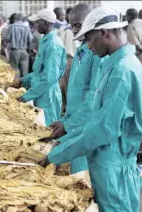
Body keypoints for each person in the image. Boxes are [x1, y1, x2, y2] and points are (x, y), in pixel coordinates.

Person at [39, 7, 142, 212]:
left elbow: (103, 129)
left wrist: (57, 154)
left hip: (114, 163)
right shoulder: (115, 64)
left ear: (104, 33)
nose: (86, 46)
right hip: (109, 161)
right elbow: (93, 111)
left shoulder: (122, 71)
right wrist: (68, 129)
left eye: (88, 38)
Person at [48, 3, 105, 174]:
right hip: (74, 123)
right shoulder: (81, 51)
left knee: (81, 179)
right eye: (72, 25)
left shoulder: (97, 55)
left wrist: (69, 125)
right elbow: (75, 94)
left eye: (78, 26)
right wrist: (65, 120)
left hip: (84, 128)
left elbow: (92, 99)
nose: (74, 30)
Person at [17, 9, 67, 126]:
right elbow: (39, 73)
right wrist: (23, 80)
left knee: (47, 130)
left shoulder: (53, 45)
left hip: (47, 95)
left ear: (46, 23)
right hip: (41, 93)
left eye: (37, 22)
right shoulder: (45, 41)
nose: (35, 25)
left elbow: (49, 78)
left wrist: (26, 96)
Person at [58, 7, 80, 113]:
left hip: (69, 59)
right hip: (71, 58)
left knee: (66, 86)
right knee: (68, 86)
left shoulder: (66, 30)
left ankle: (67, 108)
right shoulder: (66, 29)